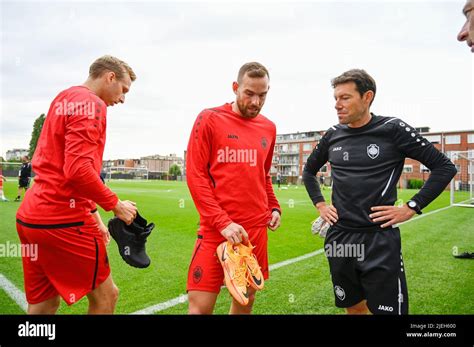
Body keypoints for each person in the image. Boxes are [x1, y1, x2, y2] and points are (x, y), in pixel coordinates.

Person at [303, 69, 456, 315]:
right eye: (335, 98)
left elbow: (444, 167)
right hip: (340, 238)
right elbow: (308, 171)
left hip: (379, 240)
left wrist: (412, 207)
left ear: (367, 97)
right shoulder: (333, 134)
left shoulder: (392, 128)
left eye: (345, 98)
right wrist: (320, 205)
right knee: (353, 307)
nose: (337, 105)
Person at [15, 55, 138, 314]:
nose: (122, 99)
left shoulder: (65, 96)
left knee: (44, 303)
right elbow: (78, 170)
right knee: (107, 297)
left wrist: (94, 216)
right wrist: (115, 205)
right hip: (63, 220)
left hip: (31, 217)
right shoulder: (92, 104)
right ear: (110, 77)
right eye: (123, 90)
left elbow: (61, 166)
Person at [186, 62, 281, 314]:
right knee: (200, 307)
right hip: (217, 229)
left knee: (244, 302)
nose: (256, 101)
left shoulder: (269, 128)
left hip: (255, 231)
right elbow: (195, 176)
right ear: (235, 87)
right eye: (249, 93)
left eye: (263, 95)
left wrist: (274, 206)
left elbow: (264, 174)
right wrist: (222, 222)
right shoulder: (209, 119)